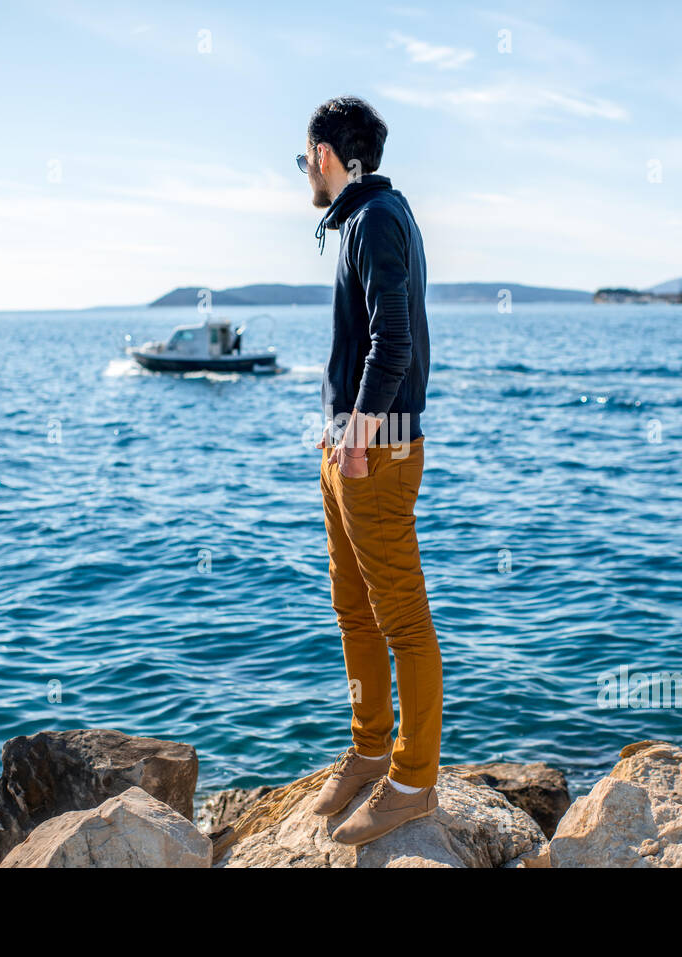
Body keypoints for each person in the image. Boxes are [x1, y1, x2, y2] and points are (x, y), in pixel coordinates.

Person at [297, 96, 441, 846]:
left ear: (325, 156)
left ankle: (414, 783)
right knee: (353, 610)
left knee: (402, 621)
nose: (304, 177)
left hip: (375, 449)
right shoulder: (361, 219)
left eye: (304, 162)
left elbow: (396, 342)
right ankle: (369, 746)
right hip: (350, 444)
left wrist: (354, 435)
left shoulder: (379, 219)